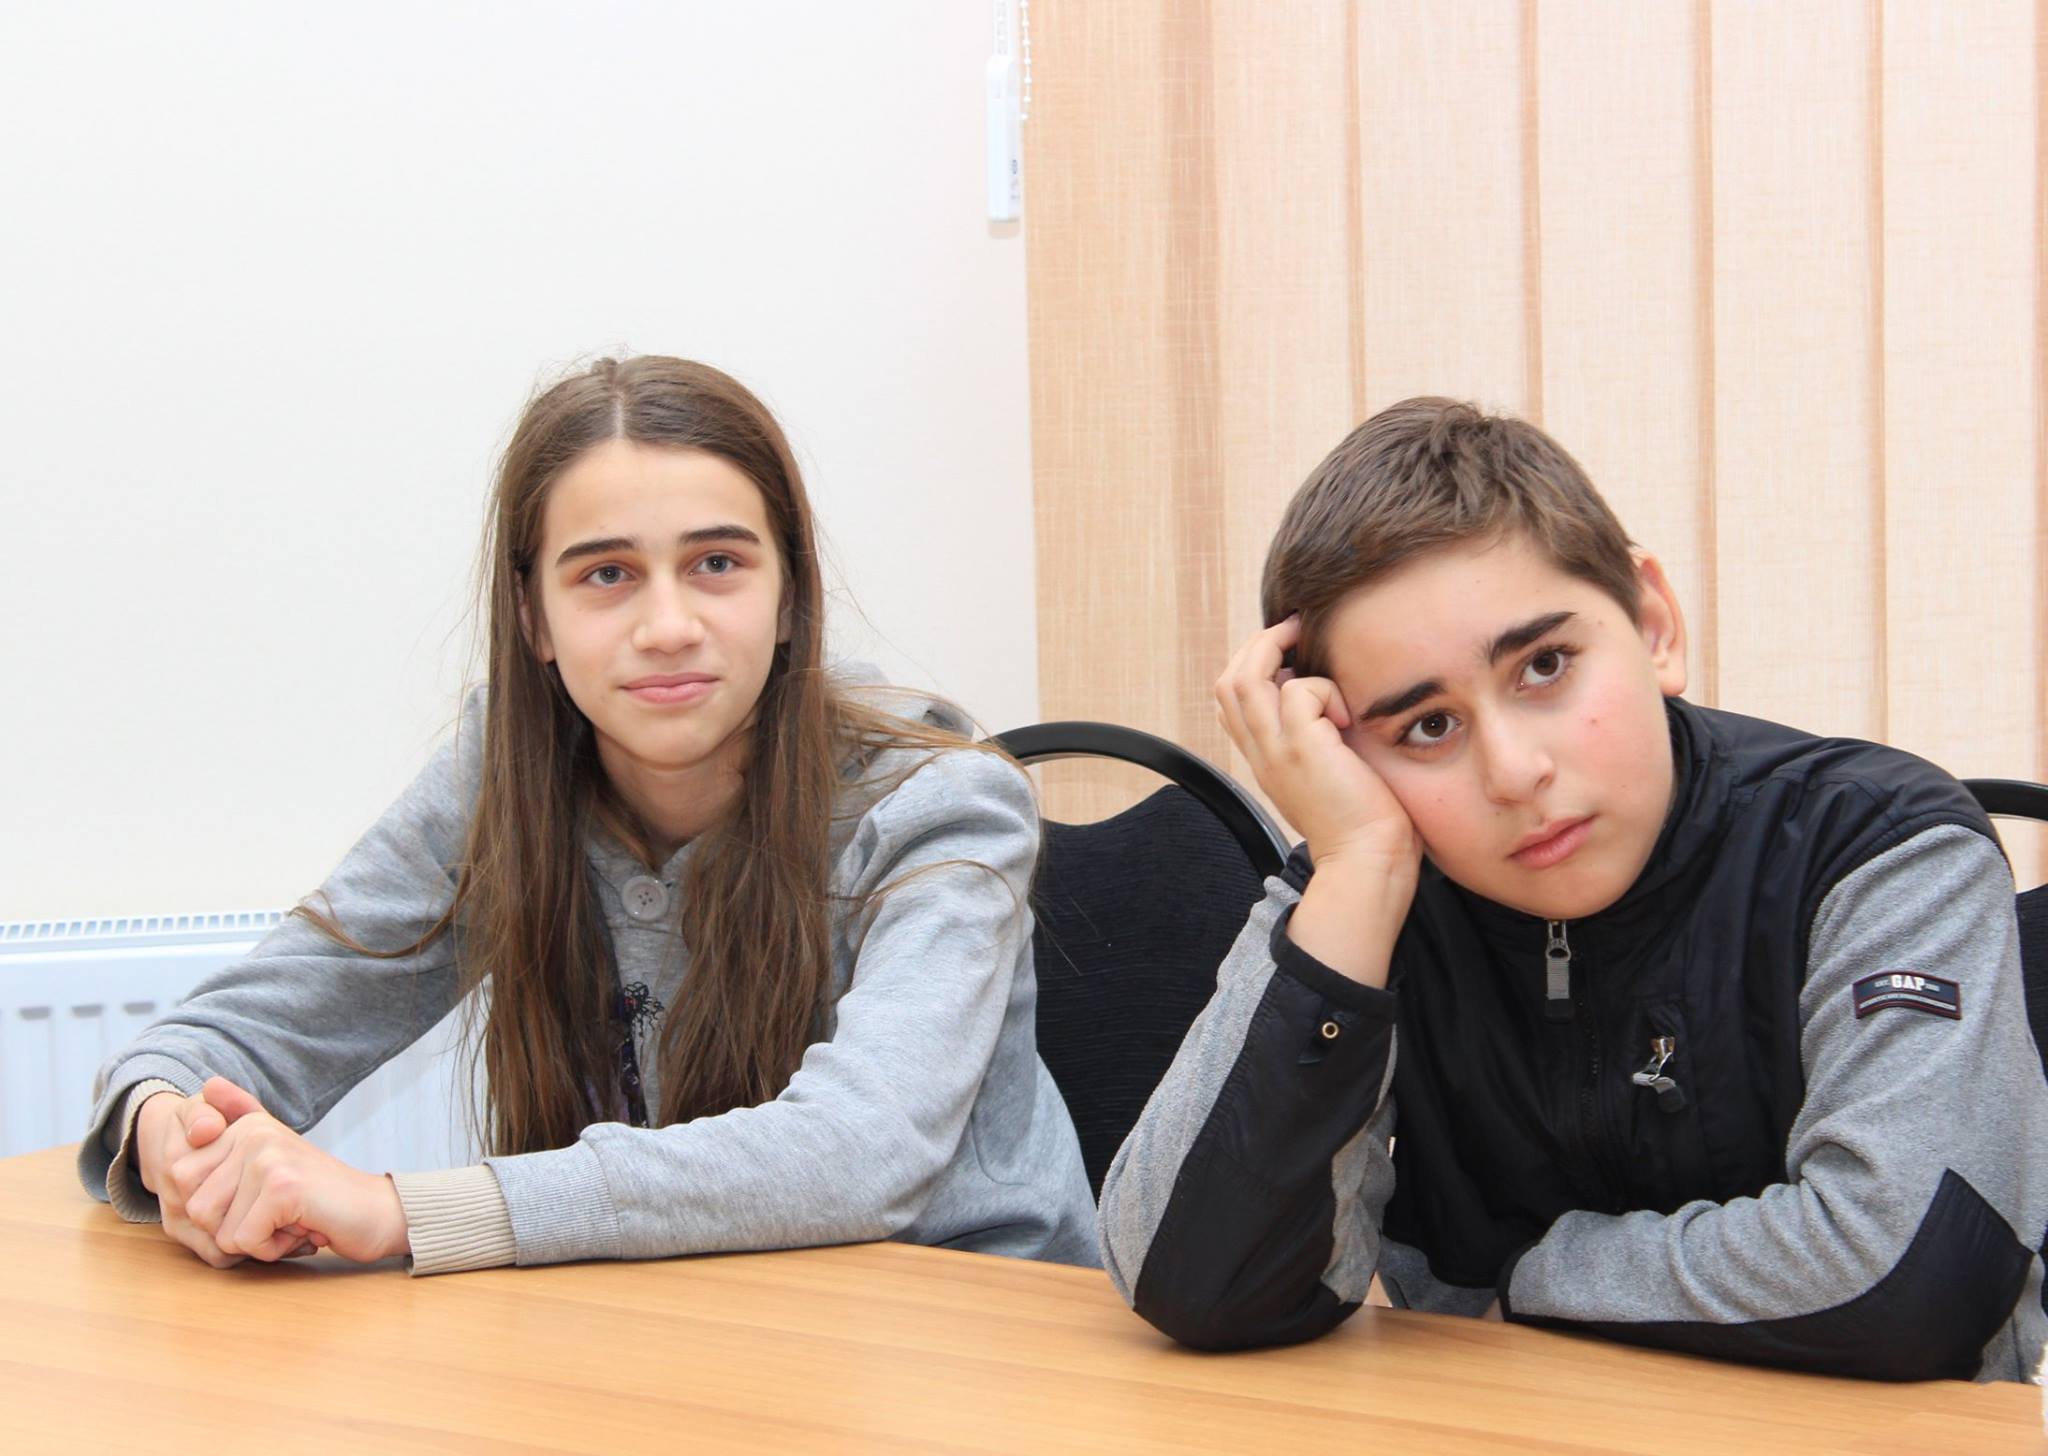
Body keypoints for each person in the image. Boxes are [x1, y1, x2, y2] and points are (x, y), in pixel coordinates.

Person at [78, 355, 1097, 1275]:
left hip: (970, 1339)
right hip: (687, 1324)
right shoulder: (507, 778)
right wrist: (176, 1132)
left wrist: (405, 1211)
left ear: (790, 597)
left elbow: (861, 1149)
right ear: (534, 617)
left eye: (717, 563)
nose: (668, 626)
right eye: (607, 574)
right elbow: (231, 1031)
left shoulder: (942, 800)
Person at [1098, 397, 2048, 1381]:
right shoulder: (1368, 876)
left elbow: (1912, 1271)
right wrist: (1354, 874)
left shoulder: (1878, 842)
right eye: (1426, 726)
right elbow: (1190, 1279)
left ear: (1652, 623)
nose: (1513, 772)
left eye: (1543, 666)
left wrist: (1535, 1280)